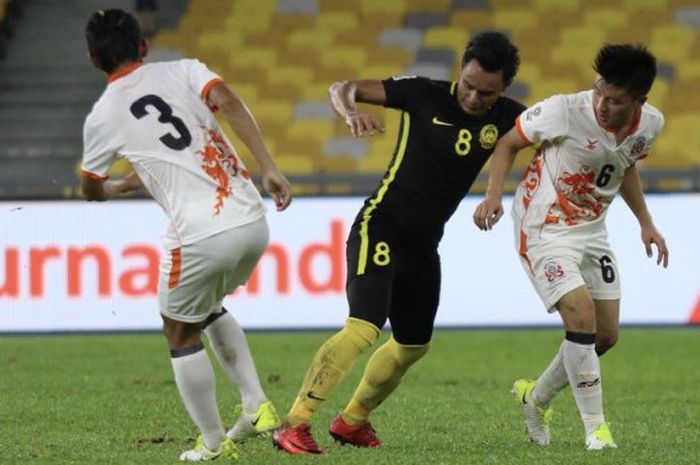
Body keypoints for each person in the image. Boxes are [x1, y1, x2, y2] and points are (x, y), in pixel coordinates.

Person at [272, 31, 525, 455]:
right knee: (363, 325)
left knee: (413, 344)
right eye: (467, 85)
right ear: (459, 72)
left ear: (503, 89)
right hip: (381, 225)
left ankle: (352, 421)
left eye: (486, 93)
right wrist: (350, 111)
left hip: (423, 246)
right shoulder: (422, 93)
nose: (472, 98)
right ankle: (294, 422)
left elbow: (551, 130)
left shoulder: (508, 117)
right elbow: (343, 87)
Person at [81, 9, 292, 462]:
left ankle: (213, 444)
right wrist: (269, 166)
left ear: (92, 59)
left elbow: (91, 187)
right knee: (206, 304)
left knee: (178, 331)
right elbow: (230, 101)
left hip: (199, 235)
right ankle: (256, 404)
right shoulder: (185, 69)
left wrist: (115, 187)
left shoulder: (103, 116)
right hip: (252, 220)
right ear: (143, 45)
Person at [473, 43, 669, 450]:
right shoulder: (563, 110)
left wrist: (645, 223)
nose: (601, 103)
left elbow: (625, 165)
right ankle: (596, 430)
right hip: (543, 225)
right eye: (598, 90)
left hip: (592, 229)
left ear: (639, 101)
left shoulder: (651, 124)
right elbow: (508, 142)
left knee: (605, 336)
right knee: (581, 319)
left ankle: (536, 397)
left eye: (614, 100)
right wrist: (492, 195)